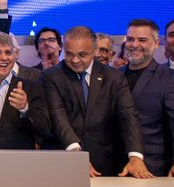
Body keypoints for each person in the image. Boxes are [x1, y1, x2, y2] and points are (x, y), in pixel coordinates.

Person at [41, 26, 152, 178]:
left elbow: (128, 116)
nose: (75, 60)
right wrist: (76, 154)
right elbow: (58, 115)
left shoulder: (114, 77)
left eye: (82, 55)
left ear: (94, 51)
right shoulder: (51, 76)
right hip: (64, 161)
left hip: (106, 164)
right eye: (69, 54)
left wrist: (135, 156)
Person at [123, 19, 174, 177]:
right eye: (130, 39)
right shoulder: (113, 75)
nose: (134, 44)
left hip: (152, 167)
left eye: (142, 40)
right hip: (112, 166)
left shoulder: (169, 77)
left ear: (156, 43)